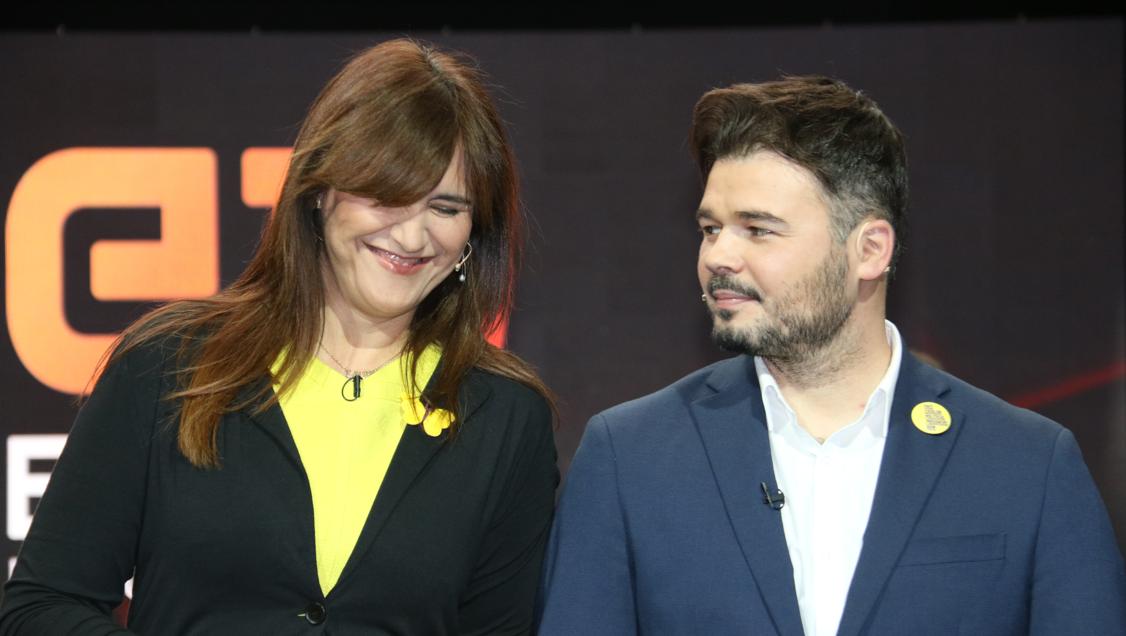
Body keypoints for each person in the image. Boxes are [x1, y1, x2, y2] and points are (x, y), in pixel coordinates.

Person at [0, 38, 557, 635]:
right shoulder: (168, 366)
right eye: (389, 194)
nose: (414, 236)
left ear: (475, 232)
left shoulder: (504, 417)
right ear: (319, 193)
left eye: (446, 208)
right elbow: (42, 608)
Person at [537, 76, 1125, 635]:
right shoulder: (628, 458)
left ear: (869, 250)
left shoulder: (1028, 465)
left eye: (758, 229)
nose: (719, 256)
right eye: (711, 228)